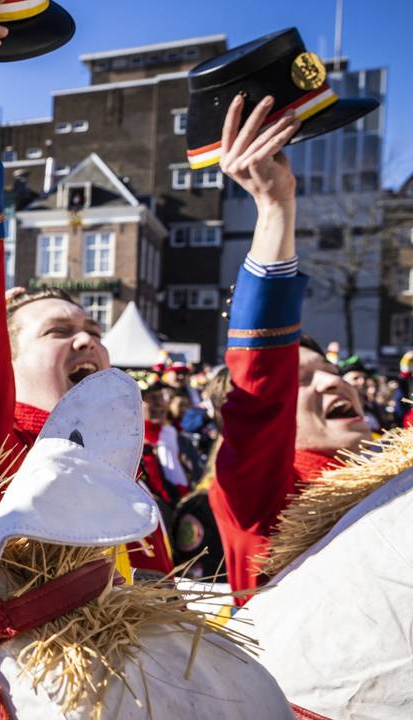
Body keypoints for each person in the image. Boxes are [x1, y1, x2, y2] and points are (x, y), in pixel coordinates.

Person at [0, 3, 172, 574]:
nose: (88, 343)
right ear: (3, 358)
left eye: (93, 332)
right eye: (59, 331)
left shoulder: (126, 476)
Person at [211, 92, 370, 599]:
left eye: (330, 368)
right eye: (301, 379)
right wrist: (276, 208)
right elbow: (260, 385)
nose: (332, 379)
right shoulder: (262, 498)